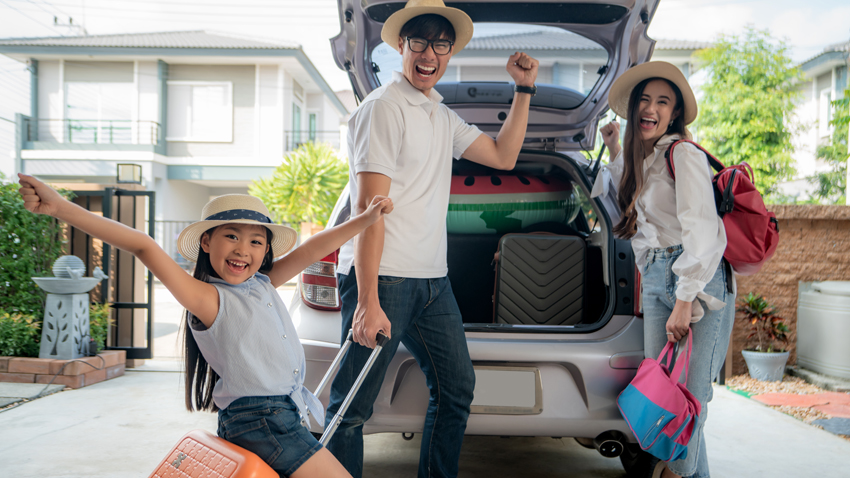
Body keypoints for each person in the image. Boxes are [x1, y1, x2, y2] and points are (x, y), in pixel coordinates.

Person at [17, 173, 394, 478]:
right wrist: (61, 208)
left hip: (281, 415)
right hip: (260, 421)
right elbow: (143, 245)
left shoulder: (263, 283)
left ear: (266, 251)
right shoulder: (207, 298)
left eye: (256, 241)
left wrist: (364, 220)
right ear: (207, 242)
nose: (243, 249)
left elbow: (313, 249)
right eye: (231, 235)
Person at [324, 1, 539, 477]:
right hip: (385, 281)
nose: (429, 53)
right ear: (400, 46)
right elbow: (367, 212)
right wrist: (367, 299)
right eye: (418, 41)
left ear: (449, 52)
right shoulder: (382, 109)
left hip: (431, 284)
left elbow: (503, 156)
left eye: (440, 44)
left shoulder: (441, 116)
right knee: (351, 408)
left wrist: (523, 89)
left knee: (457, 389)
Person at [592, 61, 735, 478]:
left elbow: (705, 234)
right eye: (644, 100)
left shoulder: (683, 154)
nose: (650, 108)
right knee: (667, 399)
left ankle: (670, 475)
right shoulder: (643, 159)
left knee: (688, 398)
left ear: (674, 114)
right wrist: (616, 147)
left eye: (662, 101)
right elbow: (622, 194)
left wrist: (684, 298)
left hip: (696, 277)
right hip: (657, 276)